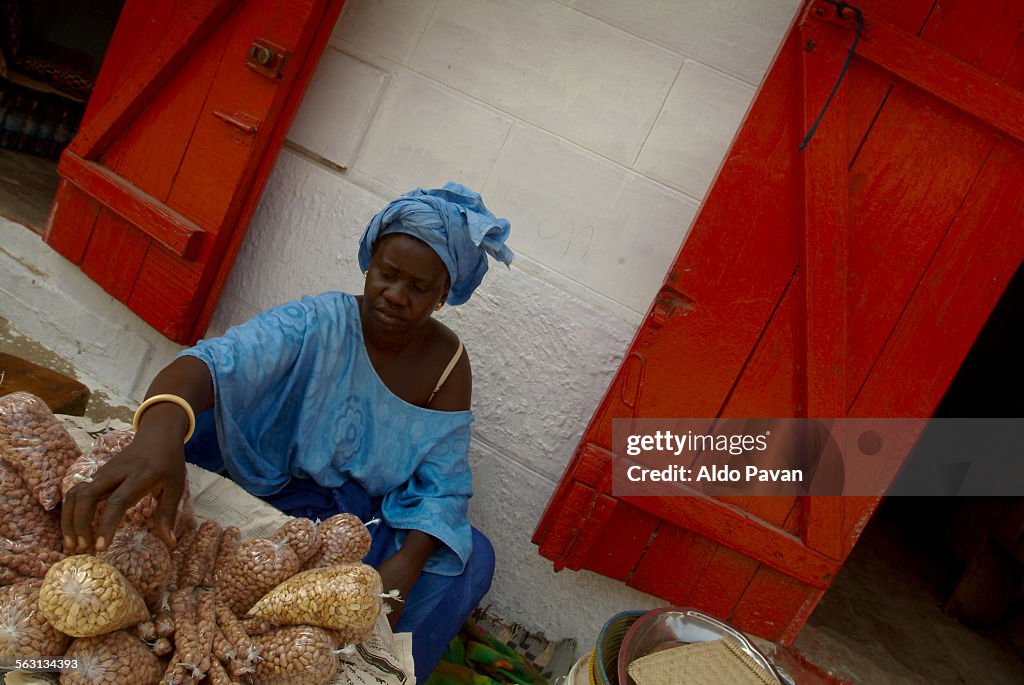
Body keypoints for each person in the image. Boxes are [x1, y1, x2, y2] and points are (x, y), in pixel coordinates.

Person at [60, 182, 514, 682]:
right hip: (261, 483)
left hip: (352, 524)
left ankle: (378, 670)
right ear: (369, 263)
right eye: (387, 274)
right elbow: (214, 364)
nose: (395, 295)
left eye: (418, 288)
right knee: (186, 423)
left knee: (470, 557)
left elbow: (443, 480)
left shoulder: (447, 366)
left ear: (444, 295)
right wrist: (157, 435)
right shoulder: (315, 323)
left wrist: (406, 564)